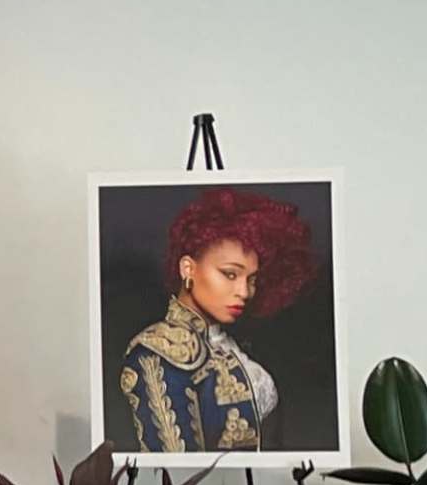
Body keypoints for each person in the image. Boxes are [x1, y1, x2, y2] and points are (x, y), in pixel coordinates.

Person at [116, 187, 319, 454]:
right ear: (188, 268)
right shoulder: (157, 352)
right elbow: (178, 474)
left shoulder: (237, 343)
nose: (244, 292)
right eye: (230, 274)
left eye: (252, 280)